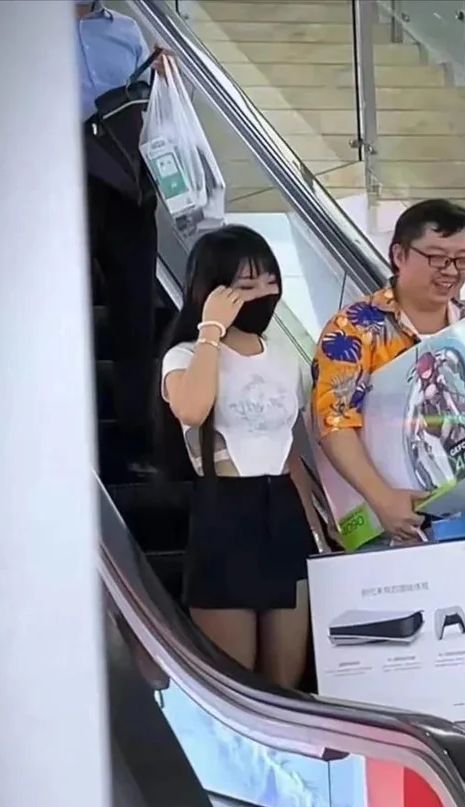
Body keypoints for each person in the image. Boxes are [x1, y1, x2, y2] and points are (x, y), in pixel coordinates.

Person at [158, 226, 324, 689]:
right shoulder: (185, 356)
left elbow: (289, 452)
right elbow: (191, 409)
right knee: (234, 680)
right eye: (246, 285)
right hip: (225, 513)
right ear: (212, 291)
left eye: (270, 280)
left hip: (284, 512)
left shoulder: (285, 358)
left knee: (286, 678)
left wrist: (315, 531)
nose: (263, 293)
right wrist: (211, 330)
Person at [311, 199, 465, 543]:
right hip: (386, 521)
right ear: (399, 255)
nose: (450, 271)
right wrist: (383, 499)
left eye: (462, 259)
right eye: (437, 258)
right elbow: (334, 422)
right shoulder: (354, 328)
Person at [75, 0, 166, 477]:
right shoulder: (22, 33)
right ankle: (65, 435)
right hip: (59, 181)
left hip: (125, 183)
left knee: (136, 313)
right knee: (62, 316)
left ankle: (136, 441)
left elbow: (146, 106)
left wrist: (164, 81)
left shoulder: (125, 30)